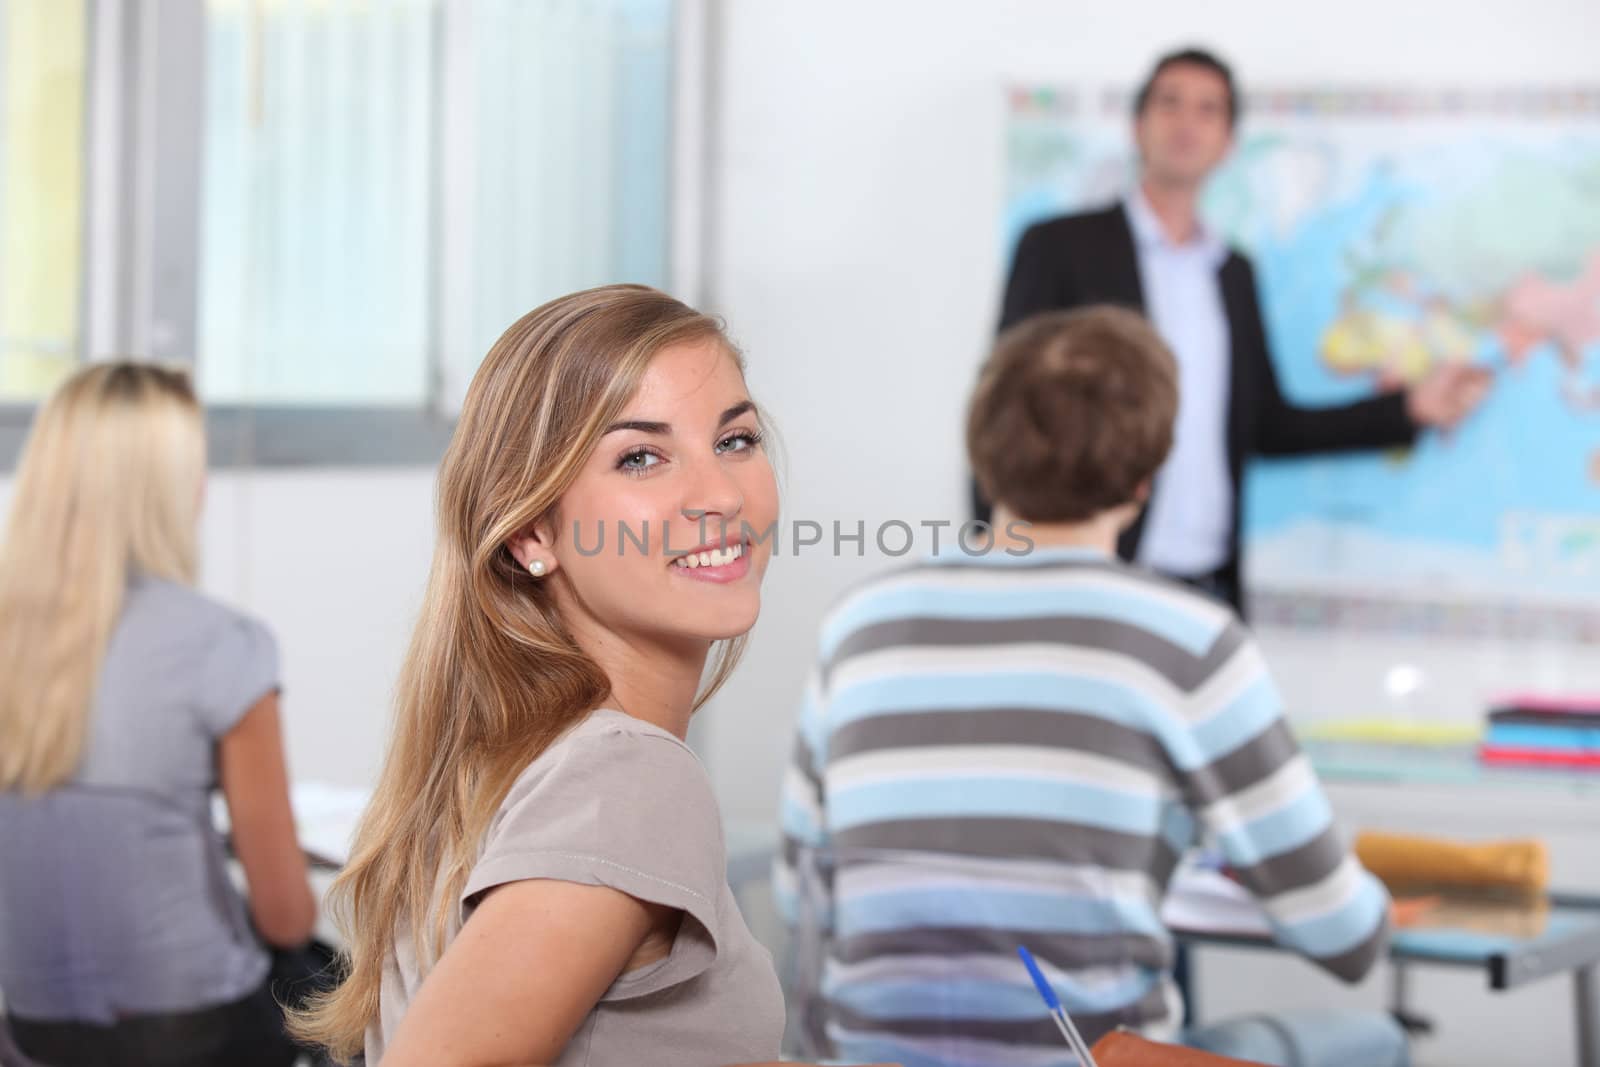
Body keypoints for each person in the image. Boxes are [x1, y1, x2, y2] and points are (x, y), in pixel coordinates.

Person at [779, 308, 1407, 1067]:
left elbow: (799, 899)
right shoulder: (1189, 643)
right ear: (1145, 475)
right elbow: (1343, 936)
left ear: (984, 452)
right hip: (1090, 1059)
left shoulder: (858, 626)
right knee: (1373, 1039)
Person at [290, 286, 804, 1067]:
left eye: (734, 439)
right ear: (532, 531)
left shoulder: (509, 764)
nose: (723, 496)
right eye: (641, 456)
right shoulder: (630, 777)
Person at [986, 47, 1491, 612]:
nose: (1186, 123)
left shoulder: (1233, 274)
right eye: (1170, 103)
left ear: (1228, 143)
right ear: (1137, 125)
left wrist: (1408, 410)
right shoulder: (1061, 248)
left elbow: (1268, 425)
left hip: (1206, 586)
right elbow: (1003, 416)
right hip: (1085, 577)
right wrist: (1002, 568)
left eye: (1209, 110)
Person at [0, 364, 319, 1067]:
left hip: (31, 1030)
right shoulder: (221, 644)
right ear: (168, 489)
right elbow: (285, 912)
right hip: (194, 1029)